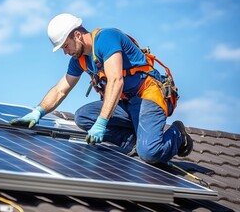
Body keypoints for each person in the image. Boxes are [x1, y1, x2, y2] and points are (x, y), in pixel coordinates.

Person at [10, 13, 193, 164]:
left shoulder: (106, 38)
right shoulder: (79, 59)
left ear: (77, 35)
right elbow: (60, 89)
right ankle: (133, 141)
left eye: (66, 46)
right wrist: (37, 112)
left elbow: (116, 81)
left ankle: (178, 134)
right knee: (83, 117)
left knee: (150, 153)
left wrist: (102, 122)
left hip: (147, 94)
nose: (65, 52)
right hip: (125, 102)